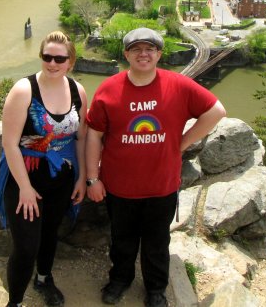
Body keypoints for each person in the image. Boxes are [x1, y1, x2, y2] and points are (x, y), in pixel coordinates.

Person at [85, 27, 227, 307]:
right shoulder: (108, 89)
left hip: (161, 185)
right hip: (119, 186)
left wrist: (182, 143)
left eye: (150, 49)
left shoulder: (178, 85)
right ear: (126, 54)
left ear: (159, 54)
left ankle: (155, 290)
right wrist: (92, 179)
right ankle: (119, 280)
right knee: (121, 240)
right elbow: (94, 135)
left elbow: (217, 111)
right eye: (136, 49)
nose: (143, 54)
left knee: (157, 243)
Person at [0, 31, 87, 307]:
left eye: (59, 58)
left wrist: (83, 177)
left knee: (50, 234)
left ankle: (44, 278)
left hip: (60, 178)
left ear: (70, 61)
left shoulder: (77, 90)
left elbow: (81, 137)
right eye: (47, 57)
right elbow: (10, 144)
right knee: (26, 247)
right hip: (25, 176)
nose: (52, 63)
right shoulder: (24, 90)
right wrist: (24, 188)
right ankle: (14, 301)